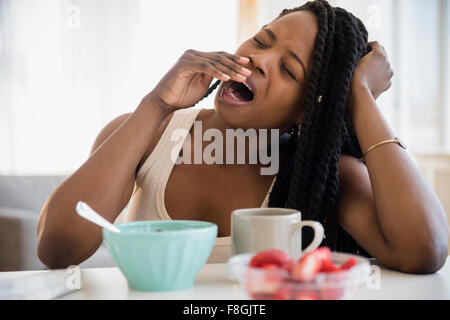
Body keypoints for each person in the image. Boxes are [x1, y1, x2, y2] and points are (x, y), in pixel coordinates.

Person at [37, 0, 448, 273]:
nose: (259, 59)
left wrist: (360, 97)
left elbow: (424, 249)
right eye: (261, 40)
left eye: (289, 71)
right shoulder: (149, 131)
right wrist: (156, 105)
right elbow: (57, 248)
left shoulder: (327, 174)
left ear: (310, 109)